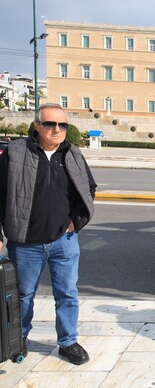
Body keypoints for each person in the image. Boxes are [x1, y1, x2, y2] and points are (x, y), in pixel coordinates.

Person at [0, 103, 96, 365]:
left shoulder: (73, 154)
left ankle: (68, 342)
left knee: (67, 293)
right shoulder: (15, 153)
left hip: (63, 241)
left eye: (62, 125)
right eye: (50, 124)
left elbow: (88, 189)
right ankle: (18, 340)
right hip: (25, 243)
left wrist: (77, 221)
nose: (57, 129)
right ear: (36, 126)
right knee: (22, 296)